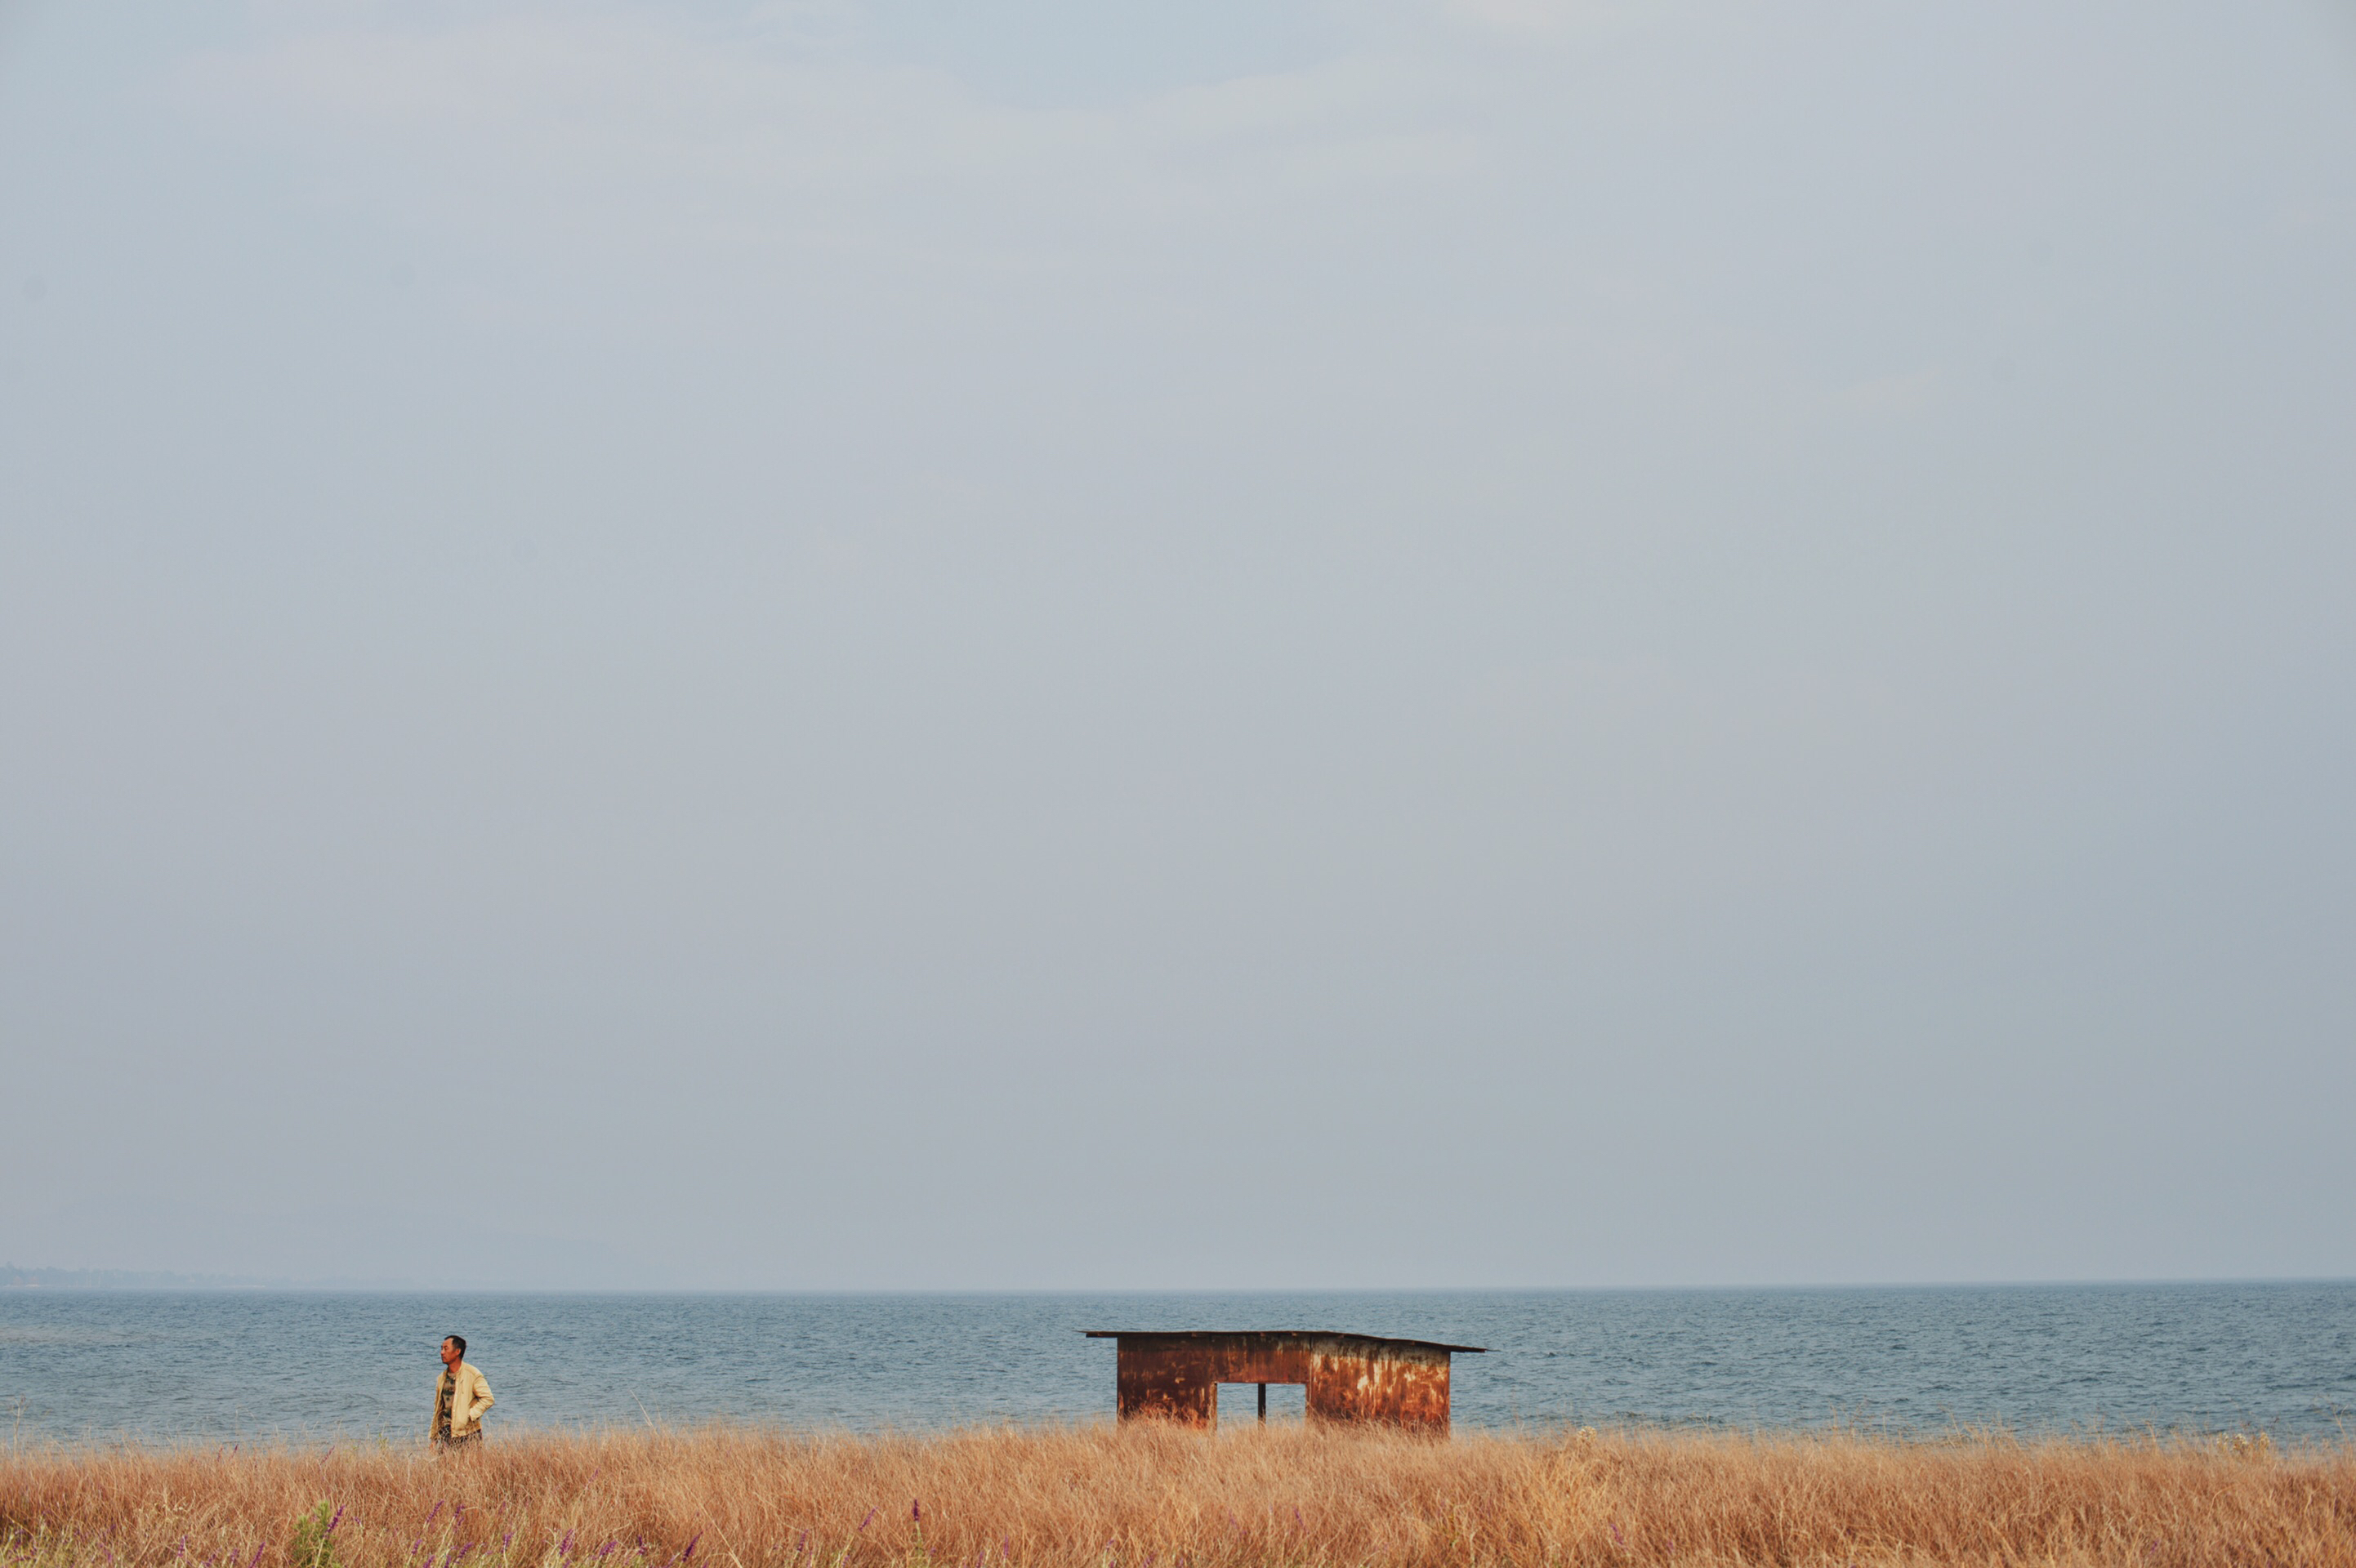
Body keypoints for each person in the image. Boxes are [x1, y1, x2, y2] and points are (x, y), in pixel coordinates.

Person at [431, 1334, 494, 1450]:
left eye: (446, 1349)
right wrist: (434, 1438)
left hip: (469, 1434)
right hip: (446, 1434)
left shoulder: (472, 1374)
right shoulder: (441, 1378)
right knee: (444, 1467)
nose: (442, 1353)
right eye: (441, 1349)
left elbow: (488, 1399)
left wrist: (469, 1416)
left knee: (471, 1467)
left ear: (457, 1352)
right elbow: (439, 1410)